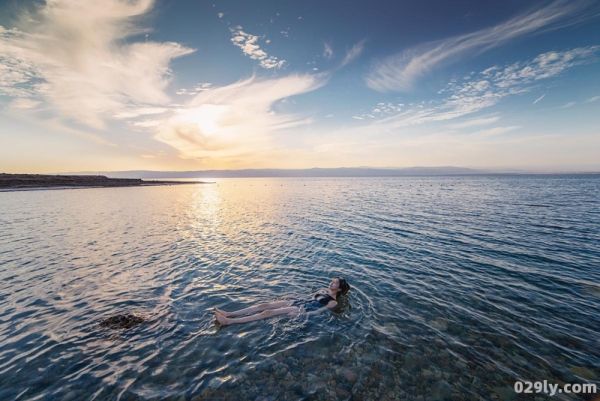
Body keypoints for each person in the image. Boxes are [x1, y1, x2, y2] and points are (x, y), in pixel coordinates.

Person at [214, 277, 350, 326]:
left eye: (334, 283)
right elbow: (309, 296)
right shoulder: (322, 289)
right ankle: (230, 313)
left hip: (301, 310)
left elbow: (318, 311)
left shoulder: (333, 302)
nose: (331, 283)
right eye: (332, 281)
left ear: (339, 289)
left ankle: (229, 322)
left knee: (268, 312)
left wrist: (302, 315)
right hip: (298, 302)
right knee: (264, 305)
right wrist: (293, 297)